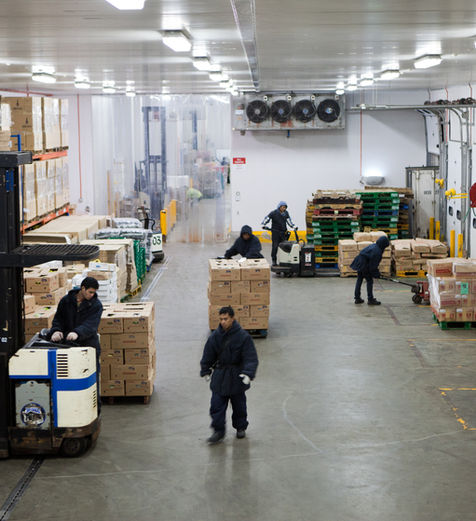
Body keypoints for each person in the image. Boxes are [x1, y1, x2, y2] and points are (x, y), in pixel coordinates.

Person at [200, 306, 259, 444]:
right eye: (221, 319)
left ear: (232, 318)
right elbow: (208, 354)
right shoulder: (215, 337)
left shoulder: (243, 337)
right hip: (220, 376)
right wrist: (206, 370)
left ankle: (240, 427)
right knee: (216, 405)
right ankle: (218, 431)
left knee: (239, 405)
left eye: (225, 319)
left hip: (236, 376)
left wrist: (248, 373)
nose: (223, 322)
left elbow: (250, 357)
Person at [350, 236, 390, 305]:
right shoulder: (377, 252)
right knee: (369, 281)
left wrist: (375, 273)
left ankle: (357, 298)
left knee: (359, 279)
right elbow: (373, 266)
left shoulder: (374, 245)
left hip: (359, 261)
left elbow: (371, 263)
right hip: (364, 264)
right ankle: (370, 299)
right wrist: (376, 274)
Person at [261, 201, 296, 265]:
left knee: (285, 247)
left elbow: (289, 221)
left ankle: (285, 261)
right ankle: (274, 260)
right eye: (283, 207)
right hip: (275, 233)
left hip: (283, 233)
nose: (284, 208)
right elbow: (267, 218)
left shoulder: (286, 213)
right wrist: (263, 224)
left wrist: (293, 226)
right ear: (279, 207)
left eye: (285, 207)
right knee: (275, 247)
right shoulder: (273, 213)